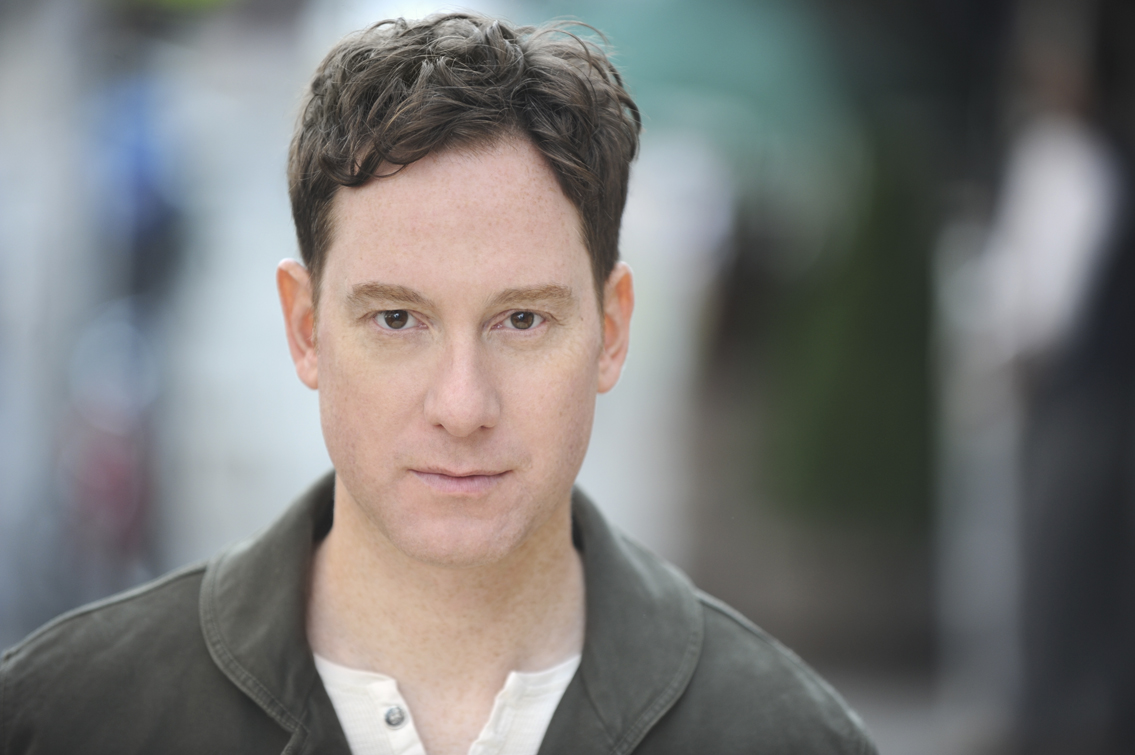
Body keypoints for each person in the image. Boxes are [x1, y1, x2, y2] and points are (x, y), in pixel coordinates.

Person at [0, 14, 876, 755]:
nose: (461, 406)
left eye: (521, 320)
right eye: (397, 319)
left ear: (611, 331)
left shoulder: (783, 736)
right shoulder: (64, 718)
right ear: (305, 328)